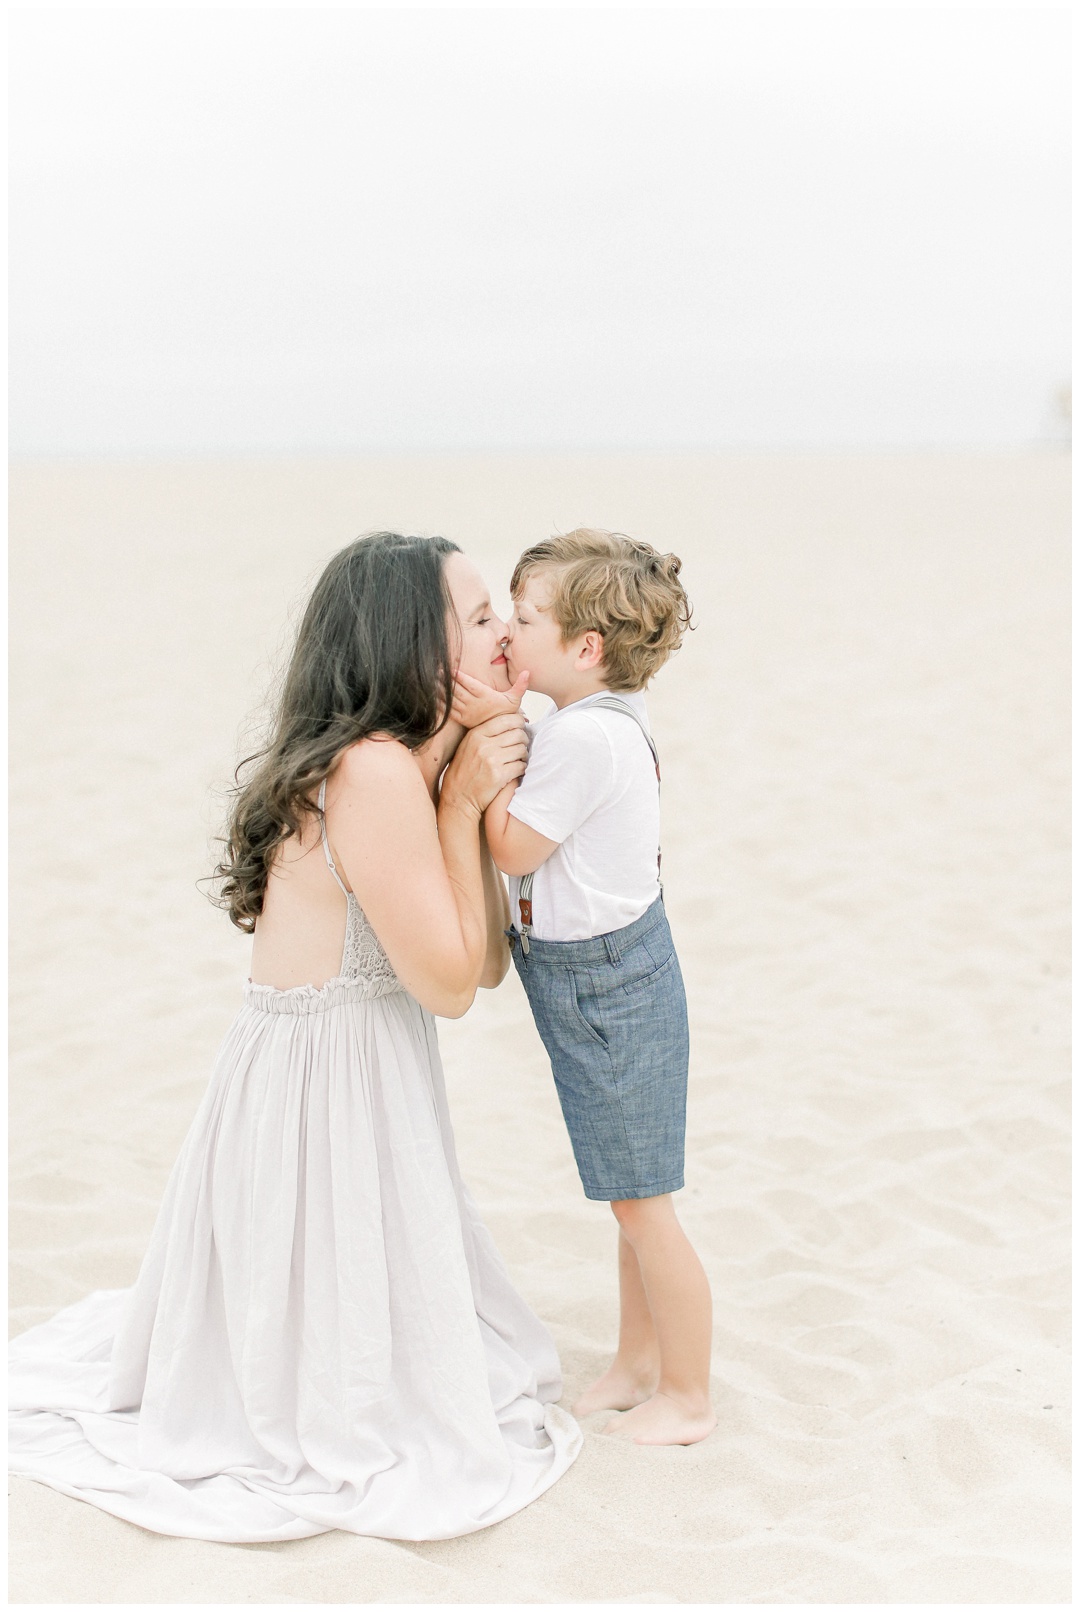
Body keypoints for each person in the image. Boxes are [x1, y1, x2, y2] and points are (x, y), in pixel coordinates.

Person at [9, 531, 582, 1542]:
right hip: (321, 1090)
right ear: (413, 640)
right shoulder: (372, 772)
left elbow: (482, 959)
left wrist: (468, 798)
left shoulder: (407, 762)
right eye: (480, 614)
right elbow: (453, 986)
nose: (505, 633)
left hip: (348, 1074)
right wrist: (457, 805)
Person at [452, 528, 716, 1447]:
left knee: (647, 1205)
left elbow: (516, 846)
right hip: (602, 977)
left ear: (585, 649)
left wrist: (480, 764)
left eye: (524, 619)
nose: (509, 634)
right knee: (626, 1193)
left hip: (608, 987)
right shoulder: (584, 721)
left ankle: (687, 1393)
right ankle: (638, 1363)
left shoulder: (587, 740)